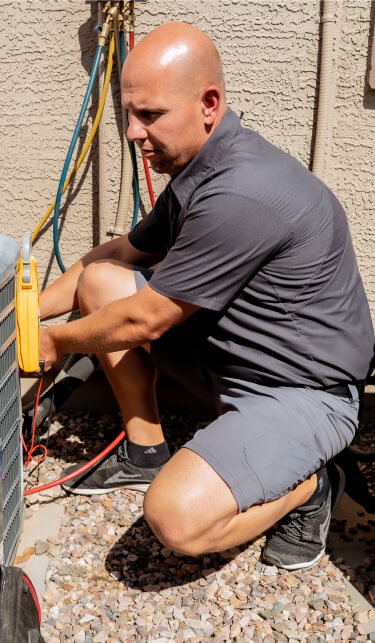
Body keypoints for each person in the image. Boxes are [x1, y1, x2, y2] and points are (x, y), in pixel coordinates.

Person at [38, 22, 374, 570]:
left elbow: (145, 320)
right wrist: (21, 317)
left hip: (304, 393)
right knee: (101, 279)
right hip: (231, 357)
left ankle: (310, 486)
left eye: (149, 115)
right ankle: (146, 449)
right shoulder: (202, 170)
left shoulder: (242, 192)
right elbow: (117, 255)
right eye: (129, 114)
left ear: (209, 105)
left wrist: (50, 343)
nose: (131, 131)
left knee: (175, 519)